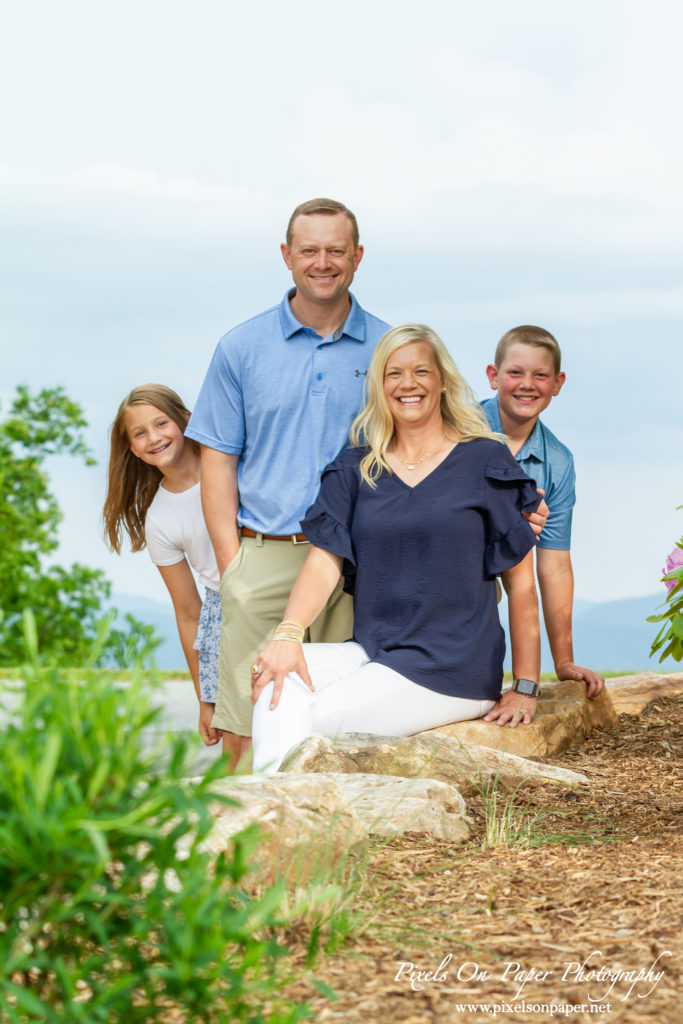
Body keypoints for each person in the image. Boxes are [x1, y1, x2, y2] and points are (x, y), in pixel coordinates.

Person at [249, 324, 544, 773]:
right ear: (379, 386)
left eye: (421, 371)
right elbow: (324, 560)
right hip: (373, 651)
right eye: (393, 374)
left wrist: (525, 685)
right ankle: (277, 817)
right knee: (276, 673)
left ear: (442, 380)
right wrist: (288, 634)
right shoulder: (355, 467)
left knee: (309, 721)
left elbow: (521, 585)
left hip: (451, 666)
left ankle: (271, 822)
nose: (408, 384)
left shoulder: (484, 460)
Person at [185, 198, 391, 765]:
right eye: (309, 250)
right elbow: (217, 461)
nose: (322, 262)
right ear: (287, 256)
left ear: (357, 256)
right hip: (265, 558)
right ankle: (235, 853)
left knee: (341, 731)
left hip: (358, 566)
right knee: (244, 732)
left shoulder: (390, 350)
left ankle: (333, 853)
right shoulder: (240, 348)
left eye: (335, 250)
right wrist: (234, 568)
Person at [482, 325, 604, 698]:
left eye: (540, 375)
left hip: (488, 576)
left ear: (557, 383)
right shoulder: (458, 429)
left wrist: (564, 662)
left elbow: (554, 566)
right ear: (493, 376)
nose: (527, 385)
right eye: (515, 372)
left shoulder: (558, 463)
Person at [103, 384, 221, 747]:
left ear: (186, 420)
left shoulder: (231, 464)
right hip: (224, 612)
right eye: (140, 433)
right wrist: (205, 699)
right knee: (239, 748)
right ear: (132, 449)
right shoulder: (160, 520)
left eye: (161, 423)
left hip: (278, 588)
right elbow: (188, 612)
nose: (153, 437)